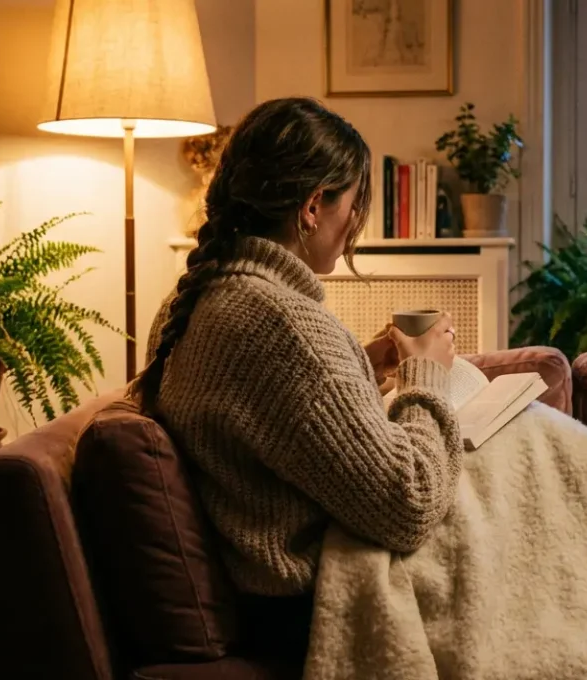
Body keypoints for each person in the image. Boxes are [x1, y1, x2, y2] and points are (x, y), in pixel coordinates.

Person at [132, 97, 461, 660]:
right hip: (302, 606)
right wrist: (423, 376)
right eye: (353, 206)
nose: (353, 226)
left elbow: (265, 410)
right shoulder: (280, 323)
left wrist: (363, 365)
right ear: (313, 207)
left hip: (271, 585)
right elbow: (409, 505)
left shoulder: (197, 299)